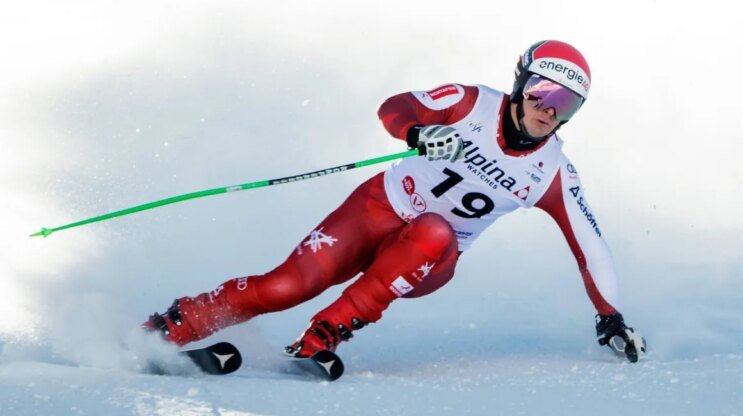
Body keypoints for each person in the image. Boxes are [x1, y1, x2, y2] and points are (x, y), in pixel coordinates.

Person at [143, 39, 647, 363]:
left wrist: (611, 316)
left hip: (428, 257)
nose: (547, 110)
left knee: (435, 230)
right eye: (540, 92)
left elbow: (591, 248)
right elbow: (395, 107)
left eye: (565, 105)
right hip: (375, 209)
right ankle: (173, 326)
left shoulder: (553, 171)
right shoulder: (471, 102)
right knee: (287, 285)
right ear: (519, 84)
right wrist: (420, 131)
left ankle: (325, 334)